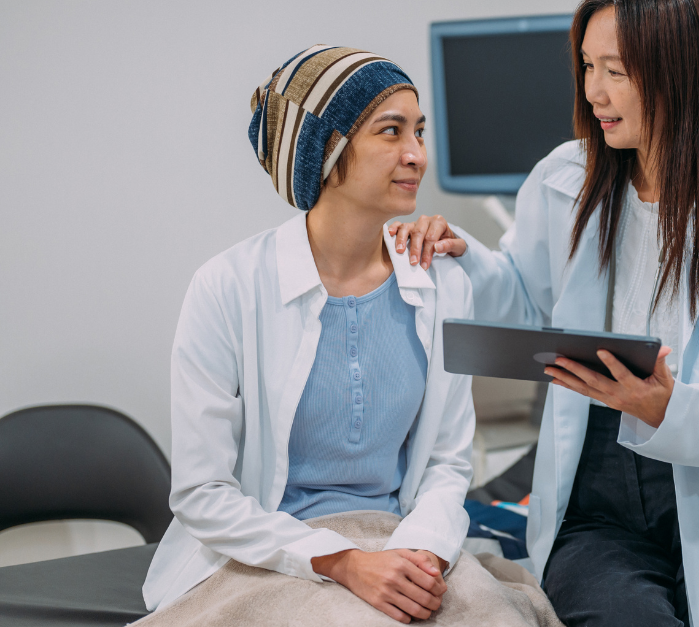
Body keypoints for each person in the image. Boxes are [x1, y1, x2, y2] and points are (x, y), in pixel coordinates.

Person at [390, 1, 699, 625]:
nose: (594, 92)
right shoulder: (566, 178)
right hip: (597, 482)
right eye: (586, 66)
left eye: (616, 71)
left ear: (678, 70)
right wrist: (463, 257)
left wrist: (668, 406)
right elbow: (523, 297)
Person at [143, 45, 476, 625]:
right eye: (390, 132)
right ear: (325, 150)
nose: (416, 154)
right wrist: (340, 561)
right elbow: (202, 494)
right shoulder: (227, 287)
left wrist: (420, 553)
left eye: (419, 132)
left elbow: (448, 463)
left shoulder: (443, 284)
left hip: (400, 540)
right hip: (271, 552)